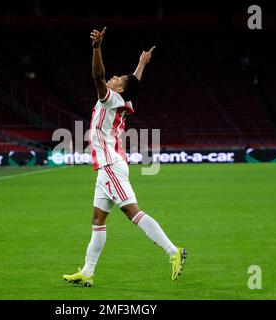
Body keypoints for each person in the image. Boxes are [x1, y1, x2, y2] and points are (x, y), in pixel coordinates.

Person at [63, 27, 186, 287]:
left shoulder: (109, 99)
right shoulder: (124, 101)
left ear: (118, 89)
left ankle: (172, 250)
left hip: (110, 165)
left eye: (117, 78)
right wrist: (141, 64)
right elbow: (133, 85)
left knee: (132, 212)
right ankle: (87, 271)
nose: (114, 77)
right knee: (98, 220)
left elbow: (98, 75)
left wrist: (97, 48)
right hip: (108, 168)